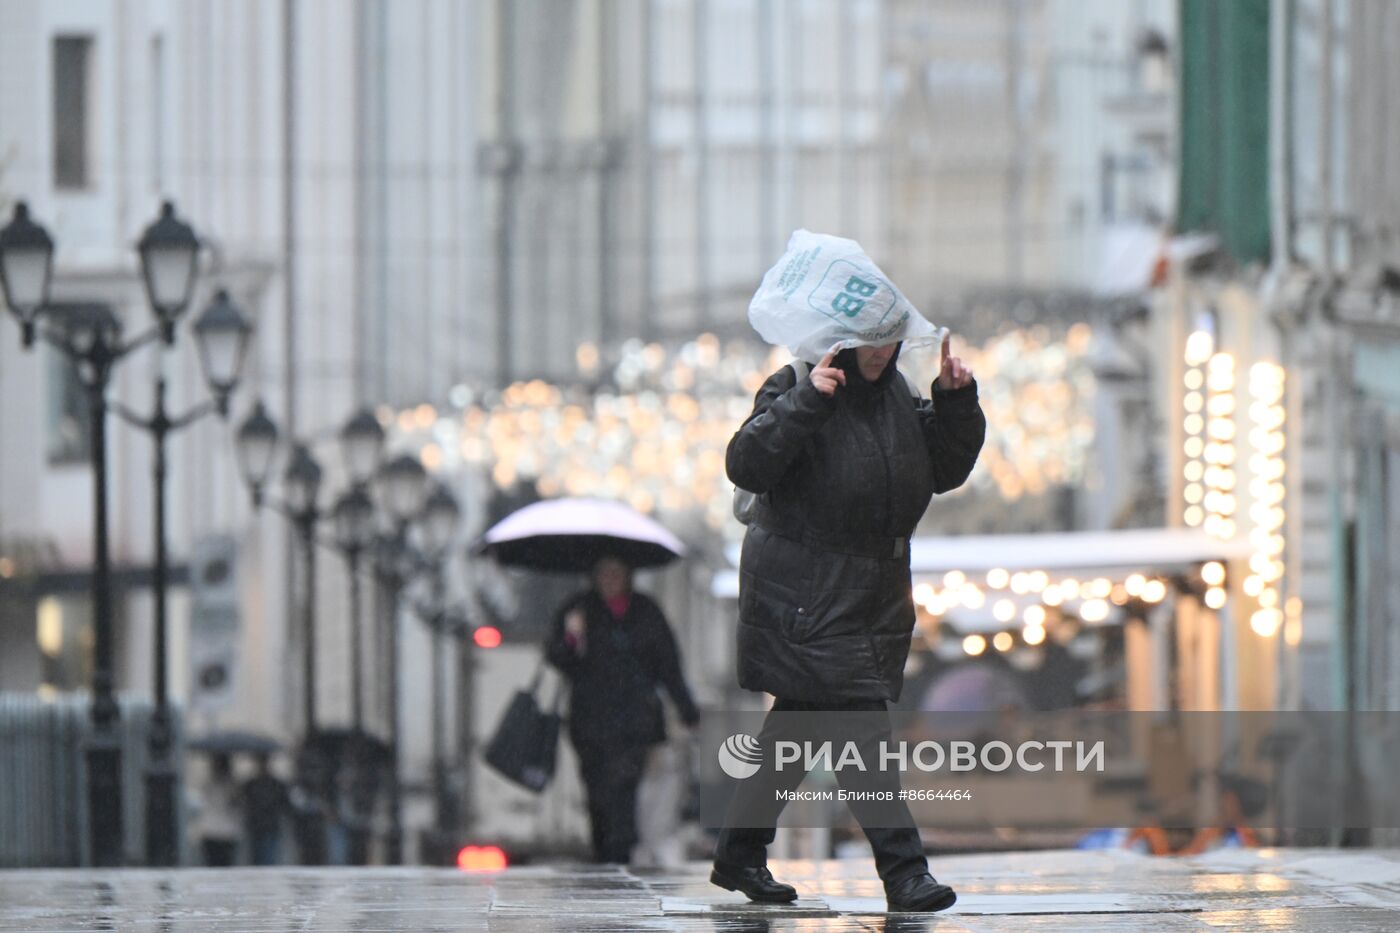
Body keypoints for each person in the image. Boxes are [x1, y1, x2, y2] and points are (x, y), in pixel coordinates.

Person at [713, 334, 986, 913]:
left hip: (872, 594)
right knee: (860, 729)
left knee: (799, 729)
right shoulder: (796, 383)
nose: (883, 353)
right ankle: (905, 873)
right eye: (871, 342)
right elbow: (747, 462)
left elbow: (939, 470)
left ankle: (739, 854)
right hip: (806, 593)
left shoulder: (900, 394)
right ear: (840, 338)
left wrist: (956, 404)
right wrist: (806, 401)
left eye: (892, 341)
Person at [546, 555, 702, 864]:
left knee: (625, 787)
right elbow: (558, 658)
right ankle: (605, 850)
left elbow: (668, 666)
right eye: (604, 574)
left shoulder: (646, 611)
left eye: (617, 573)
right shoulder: (579, 608)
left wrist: (687, 711)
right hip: (590, 721)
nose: (610, 581)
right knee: (598, 790)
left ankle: (620, 851)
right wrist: (572, 635)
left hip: (635, 722)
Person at [237, 752, 291, 866]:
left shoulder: (275, 784)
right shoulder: (251, 784)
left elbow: (285, 805)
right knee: (259, 858)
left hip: (268, 825)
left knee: (267, 857)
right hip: (258, 825)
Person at [195, 753, 242, 866]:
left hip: (213, 830)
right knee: (225, 867)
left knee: (212, 865)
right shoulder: (232, 785)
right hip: (225, 831)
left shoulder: (209, 783)